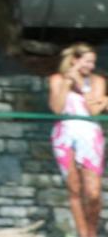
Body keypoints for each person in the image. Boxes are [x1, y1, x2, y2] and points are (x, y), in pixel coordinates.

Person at [49, 43, 107, 237]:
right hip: (64, 135)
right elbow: (57, 109)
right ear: (74, 59)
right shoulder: (56, 79)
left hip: (89, 135)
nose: (91, 66)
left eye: (93, 62)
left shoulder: (97, 81)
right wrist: (67, 82)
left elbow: (92, 111)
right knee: (74, 187)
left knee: (93, 192)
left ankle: (92, 231)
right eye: (87, 61)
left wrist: (81, 85)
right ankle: (83, 234)